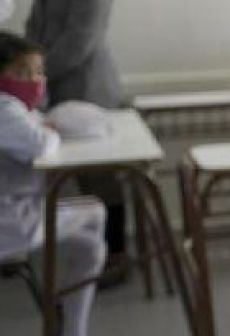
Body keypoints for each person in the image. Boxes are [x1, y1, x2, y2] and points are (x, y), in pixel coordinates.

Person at [0, 32, 117, 336]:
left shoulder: (14, 108)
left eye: (38, 72)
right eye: (22, 72)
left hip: (16, 213)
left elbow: (36, 129)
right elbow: (40, 143)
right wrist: (50, 133)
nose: (35, 81)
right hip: (11, 223)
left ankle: (71, 329)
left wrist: (45, 129)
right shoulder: (5, 109)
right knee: (94, 212)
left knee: (90, 244)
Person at [25, 0, 129, 286]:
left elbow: (80, 42)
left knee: (100, 179)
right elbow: (32, 33)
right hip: (52, 94)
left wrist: (33, 72)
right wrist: (25, 69)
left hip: (90, 92)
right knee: (71, 179)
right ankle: (88, 253)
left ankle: (115, 254)